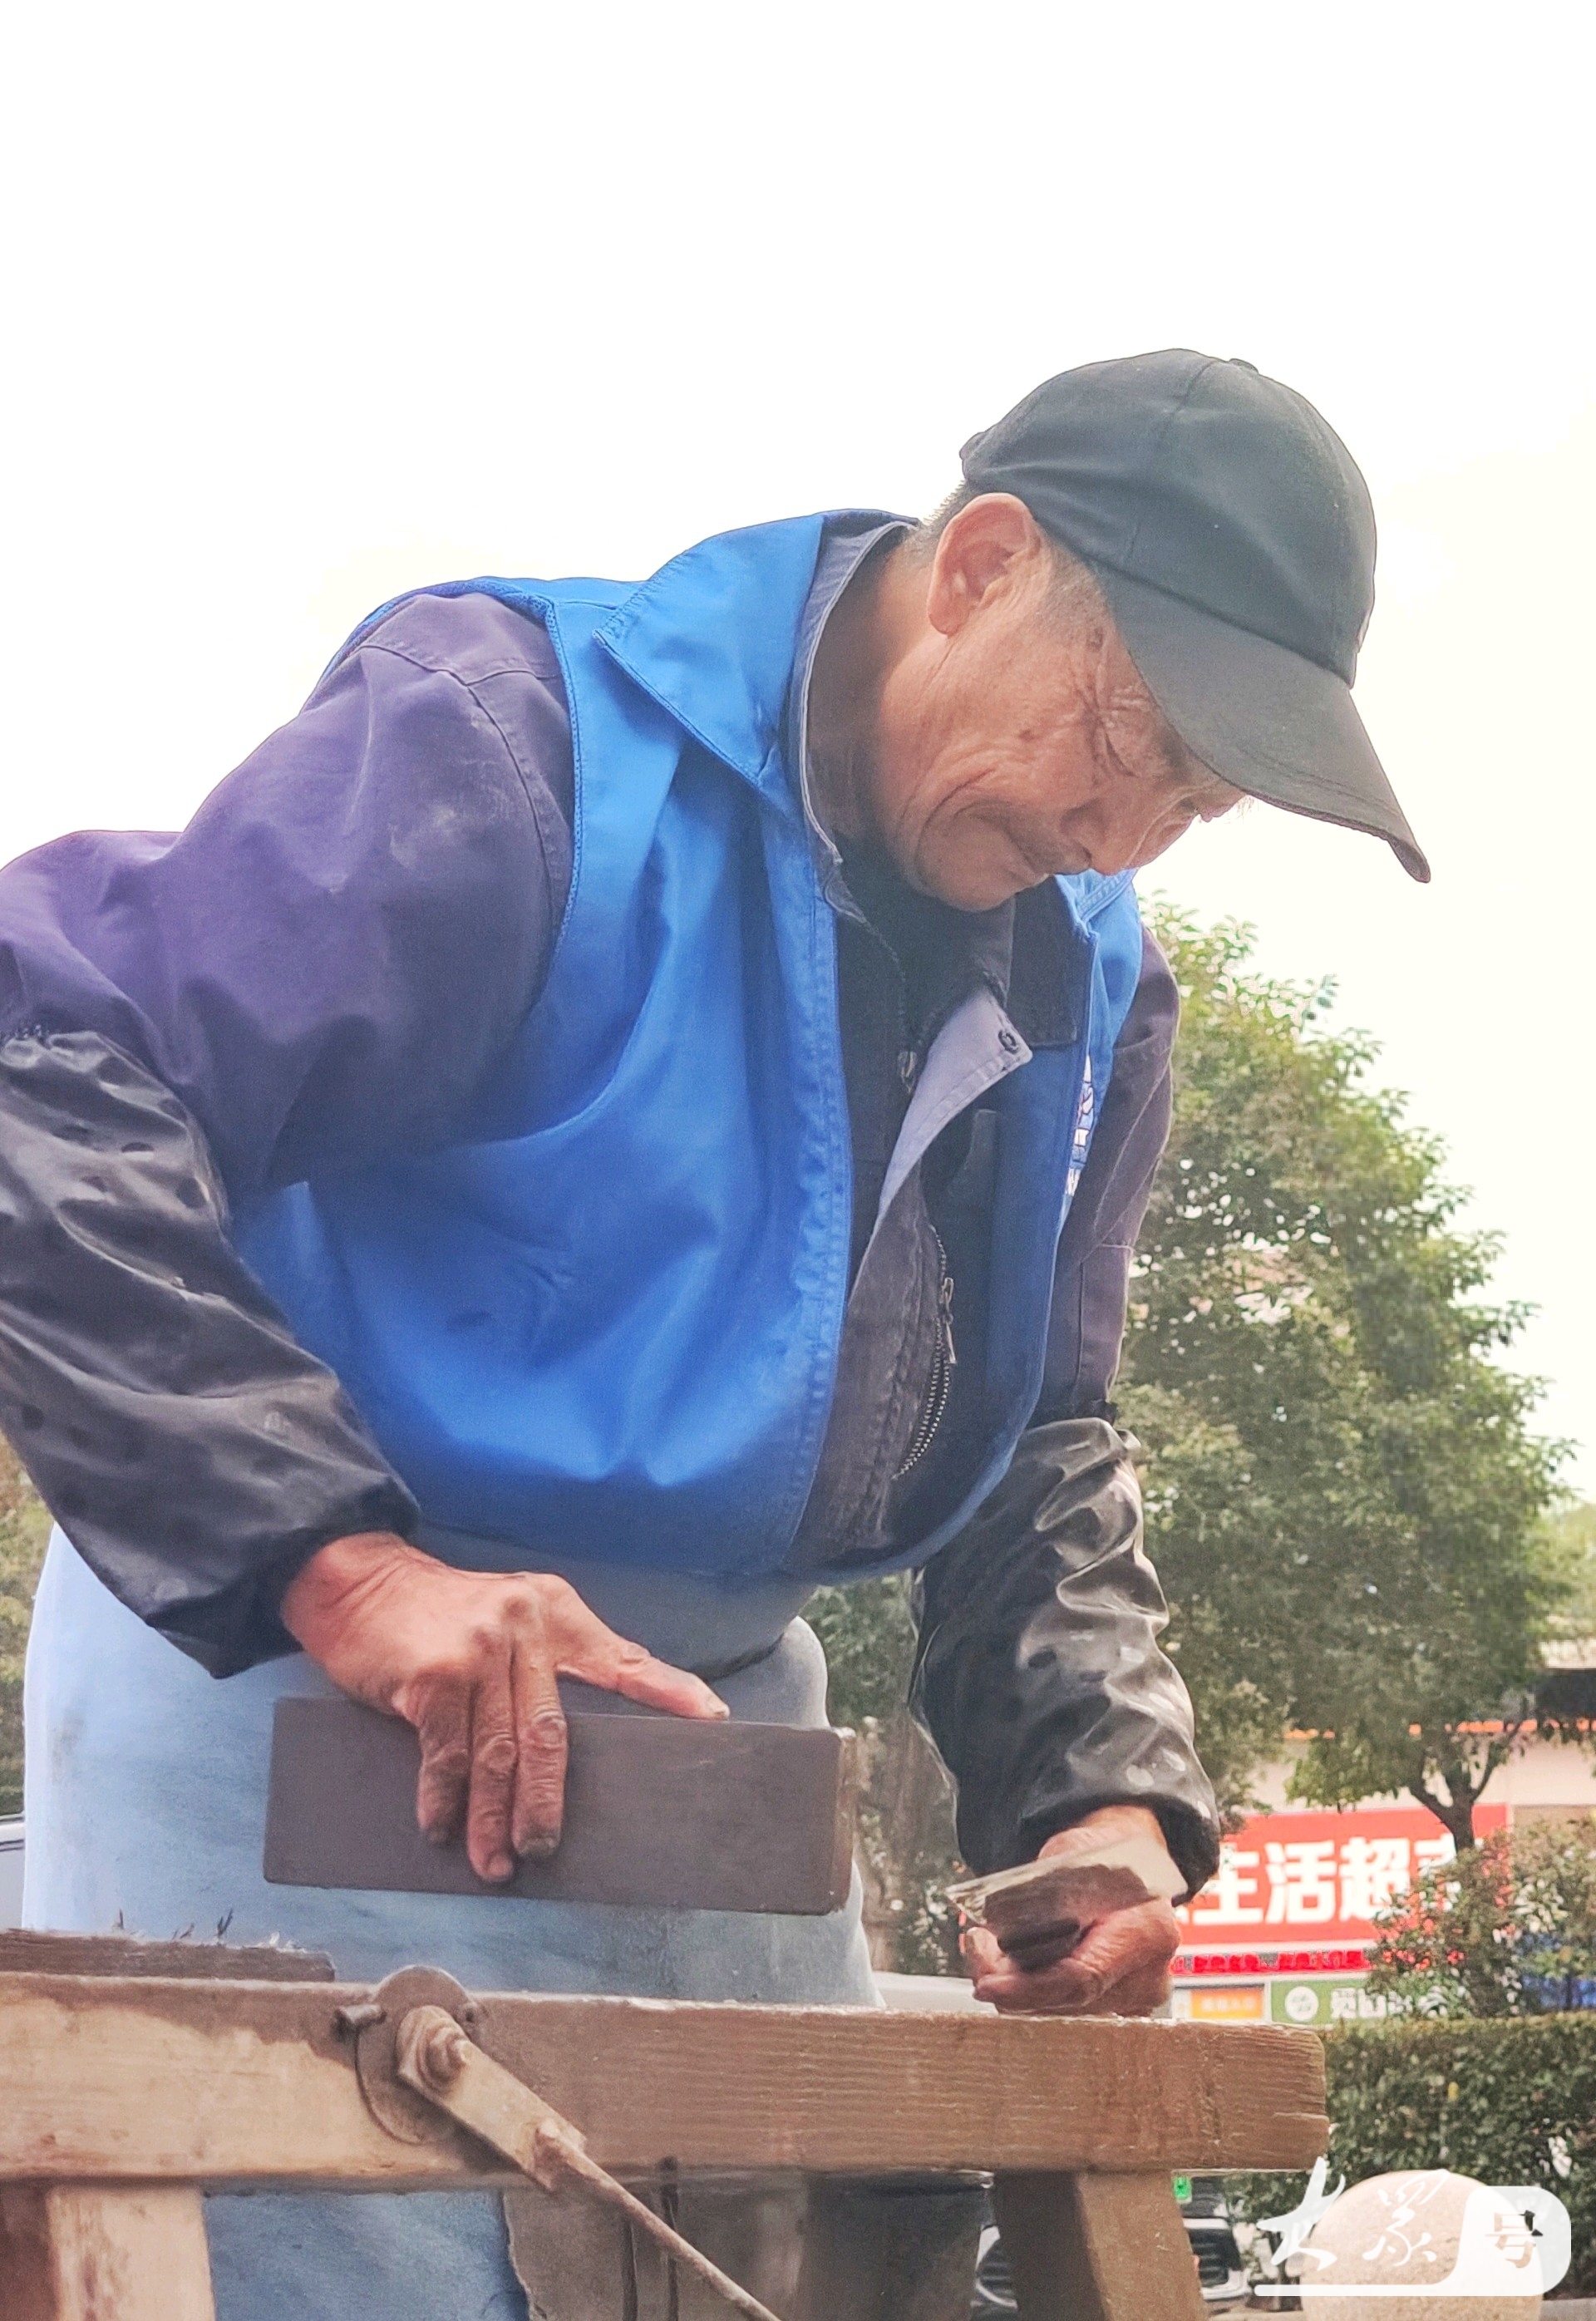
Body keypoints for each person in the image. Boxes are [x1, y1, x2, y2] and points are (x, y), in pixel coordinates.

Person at [0, 349, 1426, 2319]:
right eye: (1133, 738)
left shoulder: (1098, 986)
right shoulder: (511, 749)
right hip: (288, 1696)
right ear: (983, 565)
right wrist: (347, 1568)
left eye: (1200, 798)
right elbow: (48, 1063)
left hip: (711, 1778)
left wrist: (1099, 1792)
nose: (1129, 837)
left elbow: (1038, 1430)